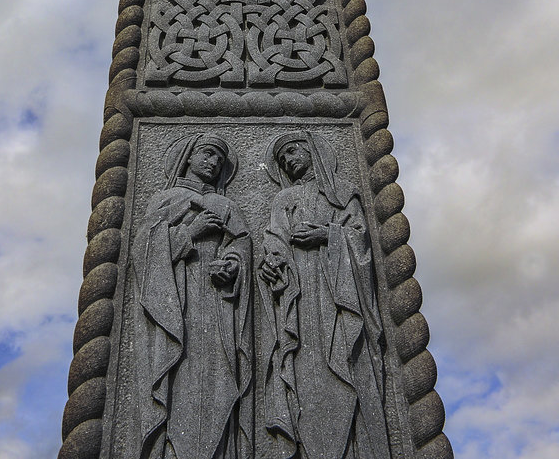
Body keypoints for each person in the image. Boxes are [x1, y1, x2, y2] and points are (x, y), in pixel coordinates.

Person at [258, 132, 389, 459]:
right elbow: (273, 241)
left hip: (337, 297)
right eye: (283, 158)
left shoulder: (342, 193)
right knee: (306, 373)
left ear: (311, 149)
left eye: (293, 151)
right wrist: (271, 265)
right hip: (299, 299)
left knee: (346, 364)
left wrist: (326, 235)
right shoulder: (283, 200)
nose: (289, 160)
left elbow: (359, 240)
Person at [133, 135, 253, 459]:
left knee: (218, 380)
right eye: (208, 154)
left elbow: (241, 245)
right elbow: (143, 251)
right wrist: (190, 232)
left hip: (216, 306)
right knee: (180, 374)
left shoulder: (228, 207)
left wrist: (231, 265)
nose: (213, 163)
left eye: (219, 160)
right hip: (177, 302)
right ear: (188, 156)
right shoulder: (166, 198)